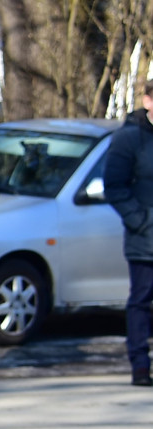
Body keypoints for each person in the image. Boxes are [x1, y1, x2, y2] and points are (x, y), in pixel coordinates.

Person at [103, 78, 153, 387]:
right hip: (145, 237)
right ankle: (139, 364)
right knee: (141, 301)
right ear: (148, 101)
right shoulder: (129, 138)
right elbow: (114, 187)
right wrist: (141, 221)